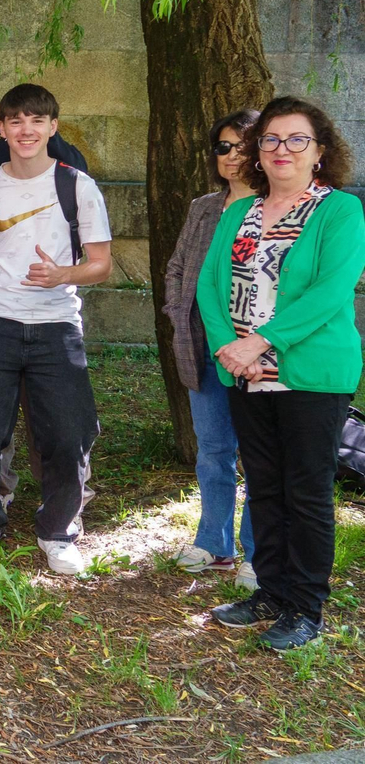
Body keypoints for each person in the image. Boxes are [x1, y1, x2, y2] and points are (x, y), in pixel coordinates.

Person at [197, 96, 365, 651]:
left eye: (297, 140)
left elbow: (331, 291)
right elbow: (209, 287)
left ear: (319, 151)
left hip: (310, 374)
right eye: (271, 139)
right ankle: (269, 590)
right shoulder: (240, 211)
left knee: (308, 490)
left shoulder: (339, 211)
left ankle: (305, 607)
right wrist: (229, 348)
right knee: (265, 485)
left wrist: (260, 341)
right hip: (246, 373)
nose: (281, 149)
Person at [0, 84, 113, 576]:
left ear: (52, 127)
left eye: (36, 121)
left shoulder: (76, 185)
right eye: (15, 121)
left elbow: (101, 264)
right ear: (0, 128)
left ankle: (59, 531)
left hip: (56, 325)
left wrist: (64, 274)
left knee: (69, 434)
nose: (26, 130)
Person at [162, 108, 260, 588]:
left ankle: (259, 555)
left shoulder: (274, 208)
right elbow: (178, 265)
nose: (232, 156)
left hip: (255, 353)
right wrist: (177, 313)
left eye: (242, 146)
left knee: (260, 455)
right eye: (223, 146)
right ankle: (214, 543)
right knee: (213, 450)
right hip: (200, 345)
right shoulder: (204, 206)